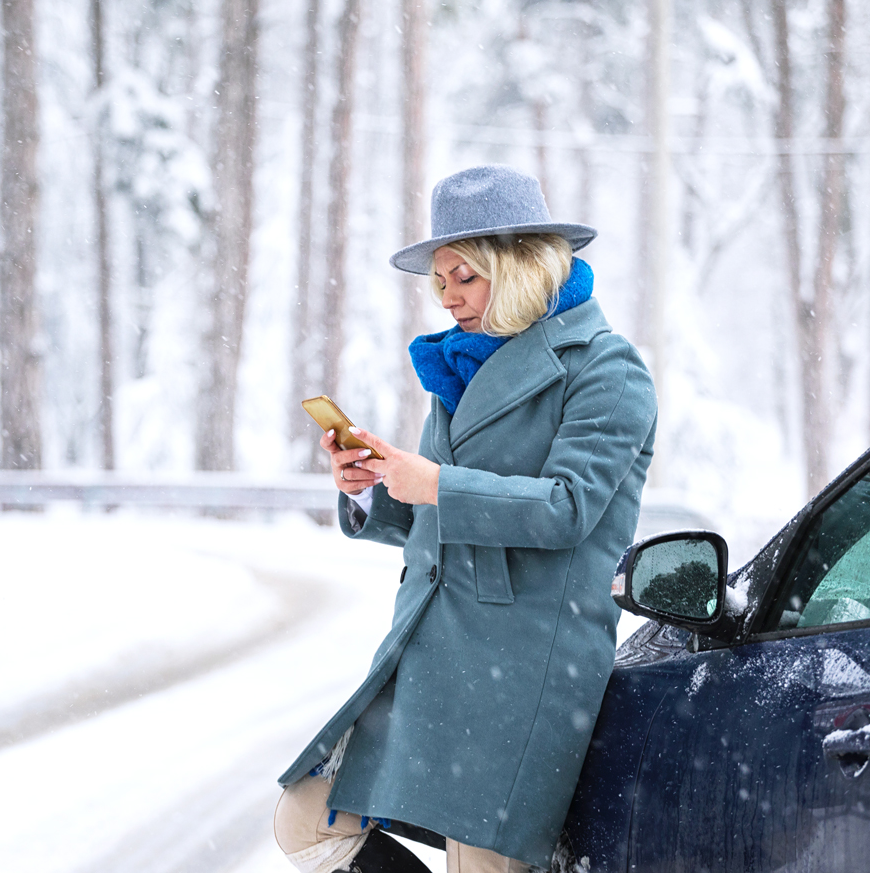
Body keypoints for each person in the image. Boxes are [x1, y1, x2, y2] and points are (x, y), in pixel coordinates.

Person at [273, 165, 658, 873]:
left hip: (524, 665)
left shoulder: (608, 370)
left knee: (482, 864)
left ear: (517, 269)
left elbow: (567, 510)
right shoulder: (463, 369)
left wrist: (439, 486)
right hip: (436, 653)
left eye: (465, 278)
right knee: (305, 814)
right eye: (441, 281)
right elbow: (437, 513)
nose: (448, 297)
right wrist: (372, 487)